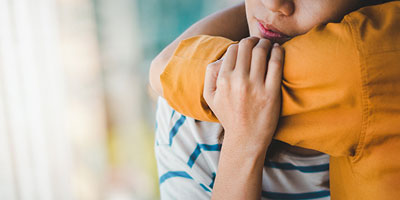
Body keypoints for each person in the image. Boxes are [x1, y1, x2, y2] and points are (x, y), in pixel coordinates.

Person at [150, 0, 400, 199]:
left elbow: (164, 69)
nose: (272, 3)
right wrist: (242, 149)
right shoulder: (190, 124)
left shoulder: (380, 78)